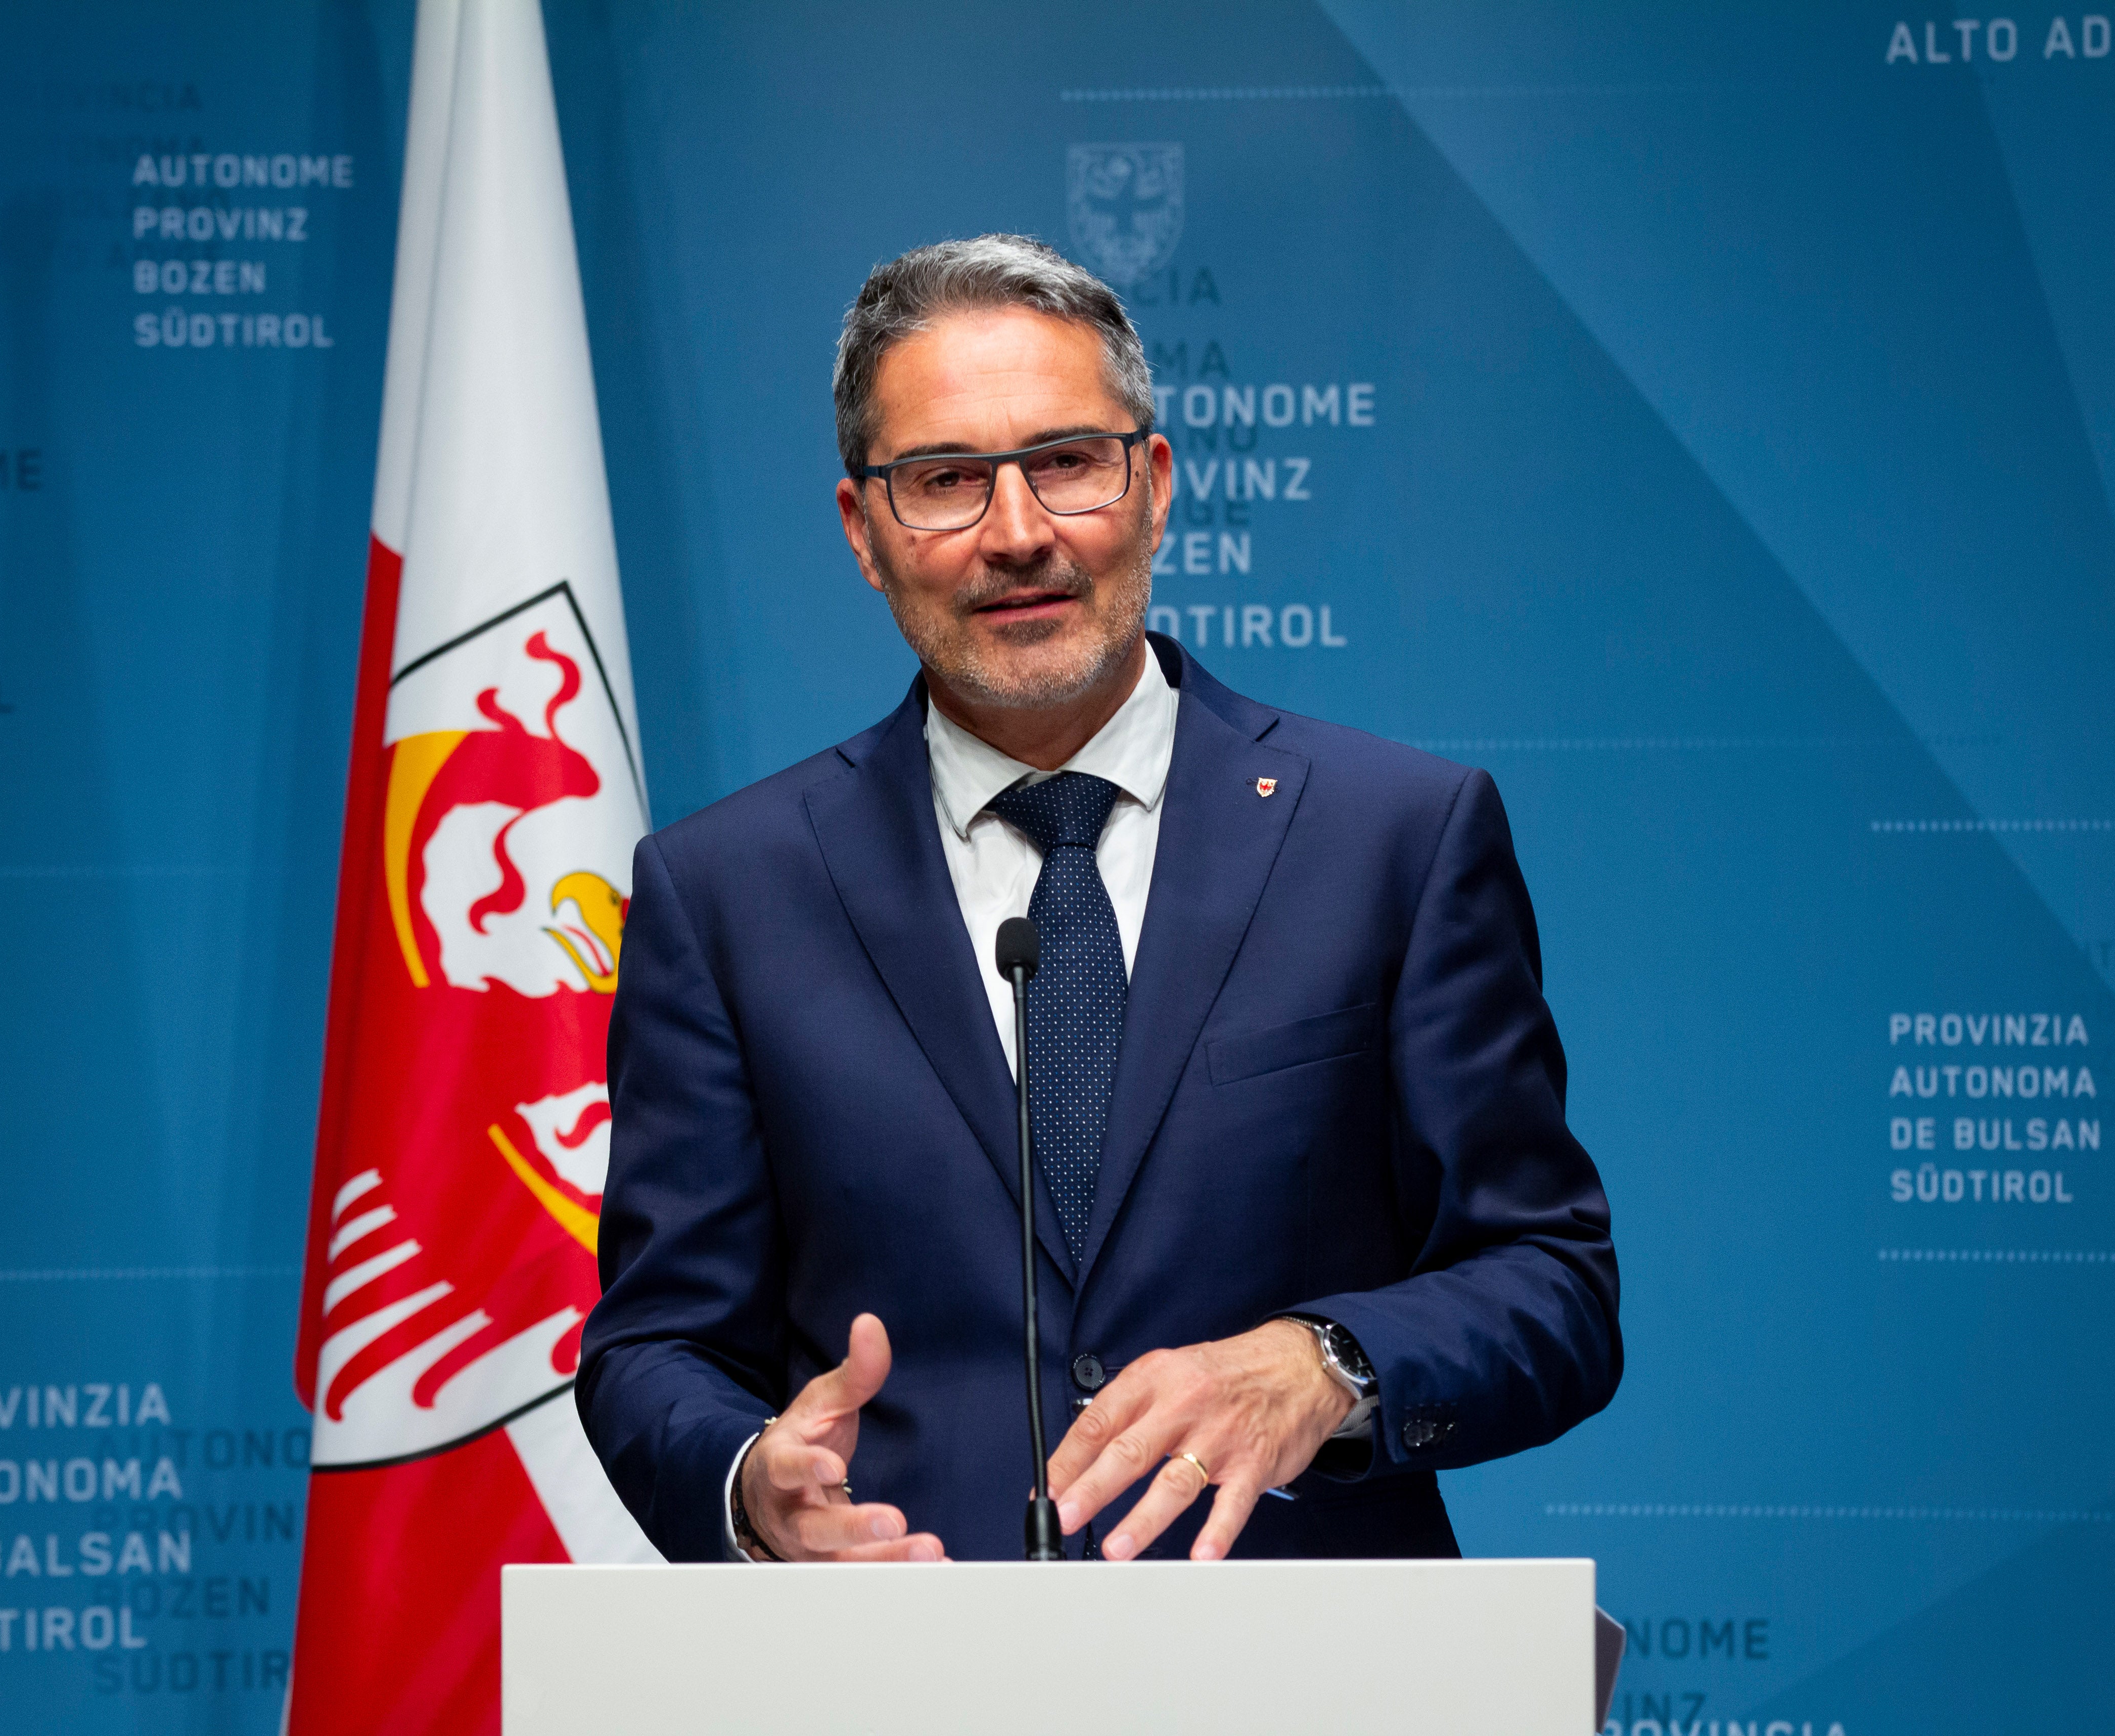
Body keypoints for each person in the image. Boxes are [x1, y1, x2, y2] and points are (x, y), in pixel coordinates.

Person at [577, 234, 1620, 1564]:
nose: (1017, 534)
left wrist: (1329, 1364)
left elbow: (1553, 1285)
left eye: (1065, 461)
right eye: (945, 481)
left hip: (1316, 1677)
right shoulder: (724, 891)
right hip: (902, 1674)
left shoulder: (1393, 837)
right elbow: (656, 1342)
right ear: (863, 532)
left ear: (1154, 482)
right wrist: (743, 1479)